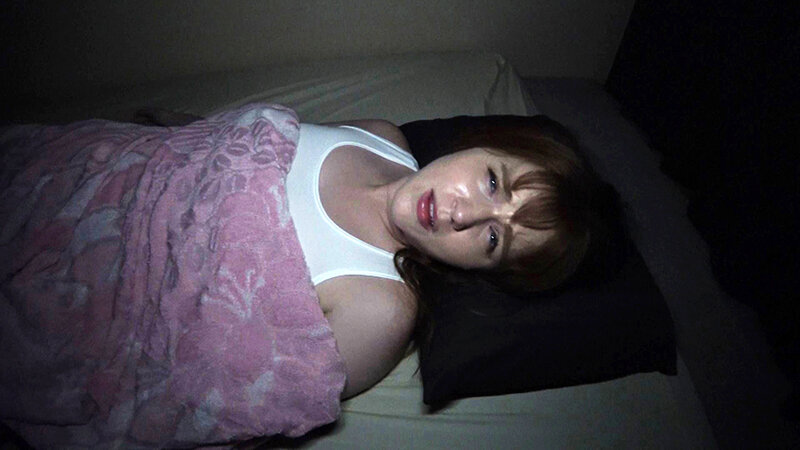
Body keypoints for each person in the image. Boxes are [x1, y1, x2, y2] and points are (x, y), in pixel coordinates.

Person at [290, 115, 611, 399]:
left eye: (493, 238)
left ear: (481, 269)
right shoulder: (381, 135)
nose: (462, 214)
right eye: (493, 182)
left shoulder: (380, 314)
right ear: (482, 146)